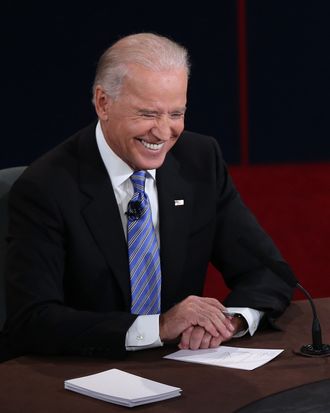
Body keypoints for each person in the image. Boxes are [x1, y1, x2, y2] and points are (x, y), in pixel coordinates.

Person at [1, 33, 293, 360]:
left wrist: (230, 320)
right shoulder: (46, 186)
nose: (164, 132)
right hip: (81, 370)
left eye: (176, 113)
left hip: (183, 369)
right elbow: (33, 320)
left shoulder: (200, 160)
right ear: (103, 103)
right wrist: (158, 327)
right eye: (148, 114)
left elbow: (266, 270)